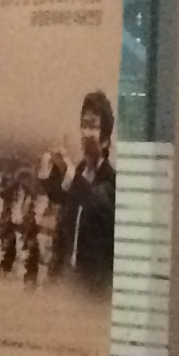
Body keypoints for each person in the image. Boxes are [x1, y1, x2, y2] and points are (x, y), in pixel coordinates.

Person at [52, 90, 120, 289]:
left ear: (105, 139)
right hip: (65, 282)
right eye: (84, 125)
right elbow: (61, 227)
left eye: (93, 127)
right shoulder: (78, 173)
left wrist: (68, 170)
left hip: (94, 288)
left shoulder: (111, 181)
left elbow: (93, 200)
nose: (86, 133)